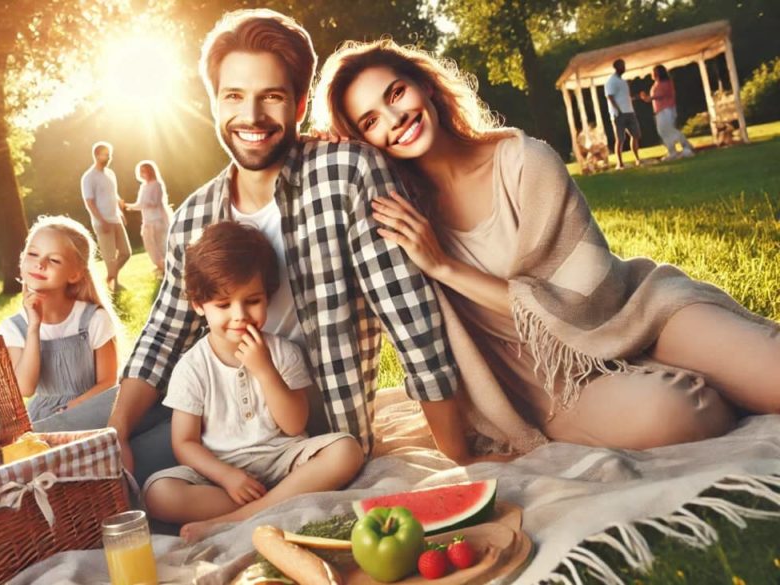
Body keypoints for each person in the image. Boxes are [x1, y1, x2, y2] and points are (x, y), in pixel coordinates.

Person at [312, 39, 780, 458]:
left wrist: (444, 266)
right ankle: (720, 391)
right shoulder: (400, 215)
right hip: (548, 377)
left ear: (426, 87)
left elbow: (588, 299)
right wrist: (329, 155)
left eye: (396, 94)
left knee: (770, 369)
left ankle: (733, 377)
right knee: (683, 412)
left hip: (637, 313)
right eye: (370, 121)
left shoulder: (524, 161)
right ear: (362, 141)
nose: (395, 119)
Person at [94, 8, 463, 487]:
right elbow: (163, 336)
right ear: (214, 104)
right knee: (70, 443)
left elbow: (412, 324)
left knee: (129, 484)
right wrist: (116, 431)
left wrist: (460, 465)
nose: (251, 116)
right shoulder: (195, 215)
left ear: (299, 104)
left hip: (311, 442)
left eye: (271, 96)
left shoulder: (347, 173)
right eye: (234, 96)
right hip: (214, 430)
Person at [143, 222, 363, 542]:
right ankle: (275, 504)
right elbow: (184, 442)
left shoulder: (282, 353)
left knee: (347, 450)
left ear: (268, 295)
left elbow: (294, 424)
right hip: (224, 474)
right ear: (197, 304)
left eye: (252, 300)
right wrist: (227, 476)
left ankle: (237, 520)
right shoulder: (191, 367)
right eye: (223, 304)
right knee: (158, 494)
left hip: (285, 461)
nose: (239, 315)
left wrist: (265, 371)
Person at [0, 215, 120, 424]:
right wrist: (33, 328)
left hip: (94, 410)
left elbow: (108, 381)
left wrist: (77, 407)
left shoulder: (93, 319)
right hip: (46, 419)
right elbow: (26, 388)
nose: (40, 264)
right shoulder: (13, 328)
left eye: (54, 260)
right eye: (33, 254)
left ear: (75, 274)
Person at [80, 141, 132, 291]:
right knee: (110, 258)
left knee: (126, 253)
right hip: (102, 222)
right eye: (105, 154)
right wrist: (101, 220)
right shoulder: (89, 177)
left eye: (109, 154)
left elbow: (114, 195)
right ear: (96, 155)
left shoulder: (110, 174)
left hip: (115, 218)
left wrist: (120, 212)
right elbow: (89, 202)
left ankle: (109, 278)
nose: (109, 157)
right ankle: (113, 286)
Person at [125, 160, 173, 276]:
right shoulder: (143, 186)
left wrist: (142, 205)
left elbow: (155, 202)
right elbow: (140, 204)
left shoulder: (157, 184)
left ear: (150, 171)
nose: (142, 173)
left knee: (161, 245)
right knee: (151, 246)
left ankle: (166, 268)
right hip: (148, 221)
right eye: (140, 171)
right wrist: (128, 206)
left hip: (157, 220)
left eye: (144, 171)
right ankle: (162, 267)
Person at [639, 65, 695, 160]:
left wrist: (649, 98)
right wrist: (647, 98)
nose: (652, 73)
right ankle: (672, 151)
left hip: (666, 110)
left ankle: (686, 145)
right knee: (663, 131)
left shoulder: (665, 82)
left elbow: (661, 94)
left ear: (658, 73)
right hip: (660, 110)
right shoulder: (656, 84)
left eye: (653, 71)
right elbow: (654, 97)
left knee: (668, 130)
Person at [604, 59, 643, 169]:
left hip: (630, 111)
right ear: (617, 67)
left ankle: (637, 159)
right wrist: (618, 110)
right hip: (619, 114)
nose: (624, 68)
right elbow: (610, 97)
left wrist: (636, 98)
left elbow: (624, 97)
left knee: (636, 135)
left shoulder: (623, 82)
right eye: (622, 66)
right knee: (620, 139)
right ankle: (620, 163)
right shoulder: (611, 81)